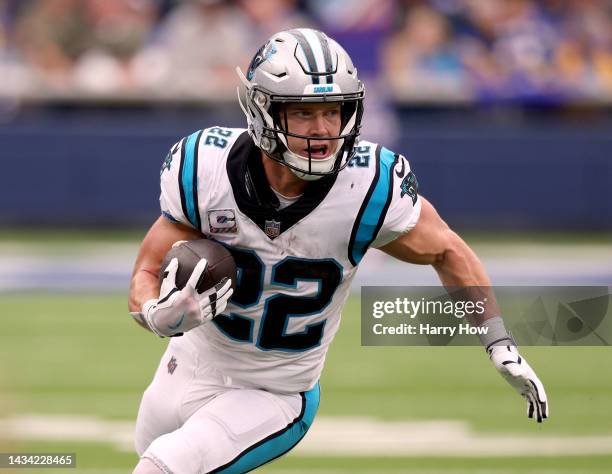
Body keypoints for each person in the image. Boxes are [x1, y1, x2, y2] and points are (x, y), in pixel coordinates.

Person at [128, 28, 549, 474]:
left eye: (334, 111)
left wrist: (498, 341)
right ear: (261, 109)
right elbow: (147, 269)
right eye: (305, 113)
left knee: (163, 469)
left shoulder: (366, 186)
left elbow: (447, 251)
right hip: (185, 367)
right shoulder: (204, 169)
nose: (325, 129)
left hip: (274, 393)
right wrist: (155, 312)